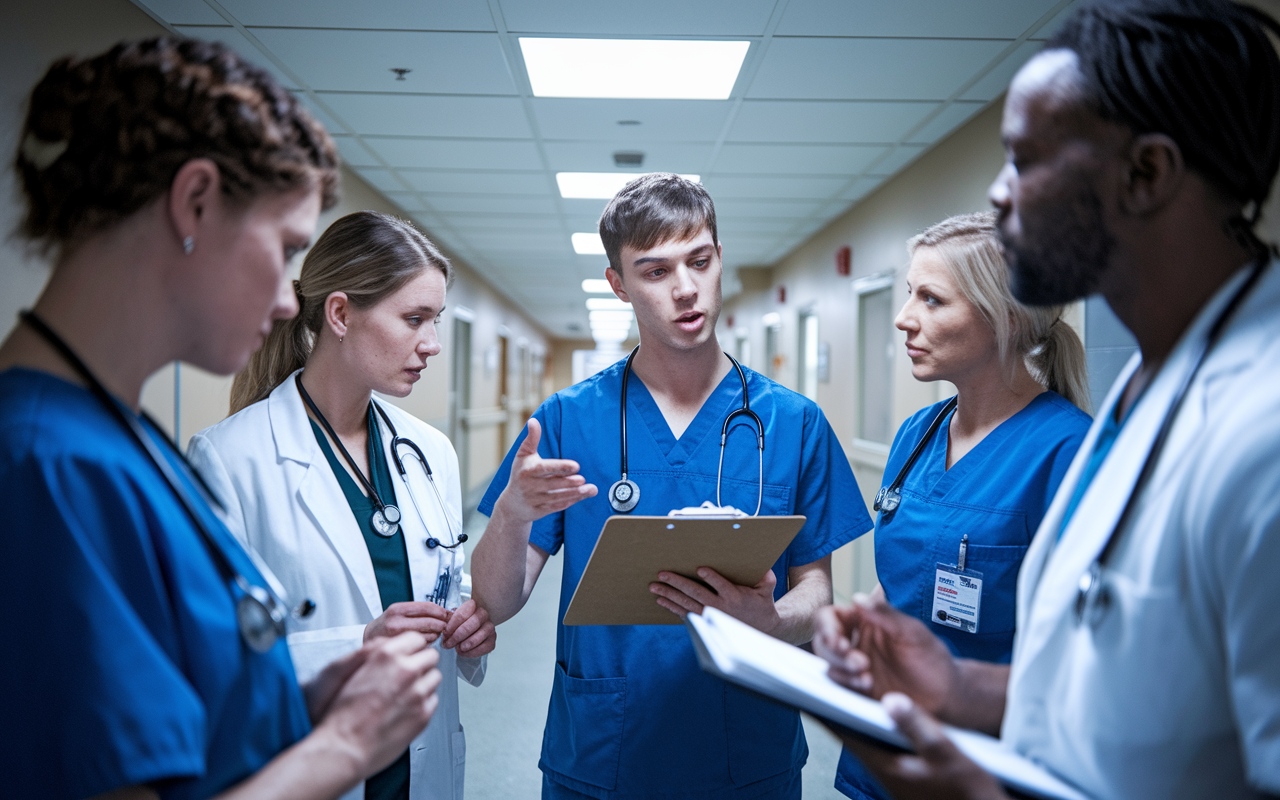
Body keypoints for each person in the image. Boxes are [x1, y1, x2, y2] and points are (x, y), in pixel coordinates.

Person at [813, 1, 1280, 798]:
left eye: (1024, 161)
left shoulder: (1261, 427)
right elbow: (1120, 698)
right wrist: (963, 693)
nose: (998, 195)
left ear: (1147, 174)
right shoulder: (1152, 388)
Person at [0, 38, 444, 800]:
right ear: (194, 203)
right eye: (285, 247)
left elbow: (184, 728)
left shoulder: (125, 442)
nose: (285, 302)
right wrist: (344, 746)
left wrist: (301, 696)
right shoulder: (48, 467)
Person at [470, 172, 875, 799]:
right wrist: (511, 515)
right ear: (619, 284)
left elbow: (816, 591)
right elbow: (498, 602)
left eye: (700, 261)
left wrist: (771, 620)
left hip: (745, 745)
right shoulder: (567, 420)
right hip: (606, 751)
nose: (686, 289)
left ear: (719, 259)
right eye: (655, 271)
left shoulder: (794, 424)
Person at [187, 210, 496, 800]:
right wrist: (358, 644)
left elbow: (444, 586)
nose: (431, 345)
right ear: (340, 314)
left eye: (435, 321)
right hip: (310, 761)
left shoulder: (430, 452)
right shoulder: (231, 459)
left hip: (419, 765)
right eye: (413, 320)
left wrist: (467, 626)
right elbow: (214, 657)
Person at [833, 212, 1092, 800]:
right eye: (908, 295)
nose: (903, 319)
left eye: (931, 299)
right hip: (881, 744)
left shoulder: (1069, 451)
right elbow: (901, 585)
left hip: (985, 763)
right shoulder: (917, 434)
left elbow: (1085, 649)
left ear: (1003, 315)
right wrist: (855, 631)